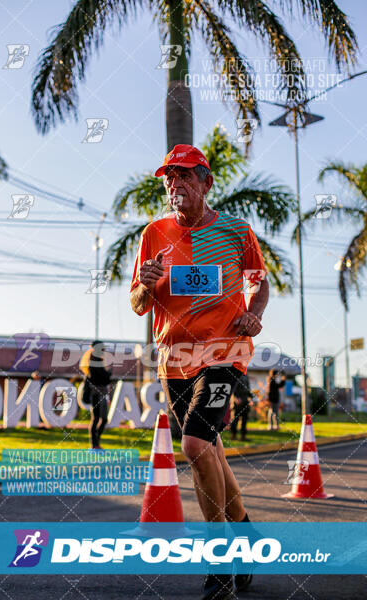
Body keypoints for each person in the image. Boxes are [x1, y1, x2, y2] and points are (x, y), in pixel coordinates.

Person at [130, 144, 269, 599]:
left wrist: (254, 313)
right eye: (170, 177)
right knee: (210, 449)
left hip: (224, 351)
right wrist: (145, 288)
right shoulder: (153, 234)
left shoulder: (234, 230)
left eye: (186, 175)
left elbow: (259, 282)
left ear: (207, 182)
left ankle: (220, 559)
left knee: (192, 443)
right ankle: (245, 534)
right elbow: (136, 305)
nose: (176, 184)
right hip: (175, 358)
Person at [79, 340, 111, 450]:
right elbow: (103, 378)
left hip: (99, 394)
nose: (104, 351)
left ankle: (95, 443)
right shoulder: (94, 362)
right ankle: (94, 443)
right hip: (97, 394)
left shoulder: (94, 361)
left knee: (99, 419)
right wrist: (108, 373)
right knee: (98, 419)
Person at [231, 374, 253, 441]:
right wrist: (235, 398)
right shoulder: (235, 374)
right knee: (235, 419)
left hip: (245, 400)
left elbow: (248, 388)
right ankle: (233, 436)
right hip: (238, 401)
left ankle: (243, 436)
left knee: (244, 420)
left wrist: (251, 397)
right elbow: (233, 387)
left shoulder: (246, 375)